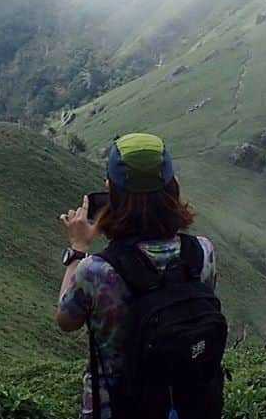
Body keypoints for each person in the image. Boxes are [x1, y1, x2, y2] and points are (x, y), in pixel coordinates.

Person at [56, 133, 225, 419]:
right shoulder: (202, 251)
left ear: (113, 195)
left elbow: (66, 320)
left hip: (119, 407)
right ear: (174, 187)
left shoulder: (96, 270)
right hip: (190, 401)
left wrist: (78, 249)